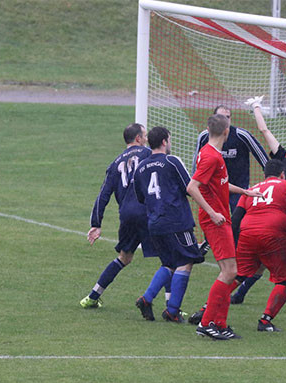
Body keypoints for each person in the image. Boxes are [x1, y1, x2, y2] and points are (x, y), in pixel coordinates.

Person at [230, 95, 286, 305]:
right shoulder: (285, 156)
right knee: (262, 262)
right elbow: (265, 131)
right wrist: (257, 107)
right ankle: (241, 295)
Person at [186, 114, 262, 340]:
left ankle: (219, 323)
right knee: (229, 271)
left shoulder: (210, 154)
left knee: (230, 271)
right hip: (215, 220)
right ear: (227, 132)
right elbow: (192, 187)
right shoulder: (211, 157)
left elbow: (219, 183)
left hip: (220, 217)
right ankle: (207, 323)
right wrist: (212, 212)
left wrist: (245, 192)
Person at [80, 123, 159, 309]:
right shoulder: (149, 155)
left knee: (125, 257)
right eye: (145, 136)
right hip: (147, 212)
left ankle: (93, 296)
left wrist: (96, 223)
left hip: (127, 215)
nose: (147, 139)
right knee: (169, 259)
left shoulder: (115, 163)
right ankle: (172, 307)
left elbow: (103, 195)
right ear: (139, 139)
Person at [133, 127, 204, 323]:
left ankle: (147, 299)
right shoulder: (172, 161)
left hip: (155, 223)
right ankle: (172, 311)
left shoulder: (140, 167)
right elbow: (189, 187)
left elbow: (140, 197)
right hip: (177, 221)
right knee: (186, 262)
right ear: (164, 142)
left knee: (169, 264)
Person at [192, 105, 269, 254]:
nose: (225, 120)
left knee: (239, 221)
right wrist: (197, 184)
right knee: (213, 218)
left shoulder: (241, 135)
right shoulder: (205, 141)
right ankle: (211, 243)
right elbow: (196, 164)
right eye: (221, 117)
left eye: (228, 117)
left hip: (237, 186)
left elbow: (261, 155)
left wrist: (271, 176)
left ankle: (240, 249)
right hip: (214, 188)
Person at [231, 159, 286, 332]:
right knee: (284, 279)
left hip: (247, 233)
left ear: (265, 175)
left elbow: (236, 218)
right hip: (273, 232)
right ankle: (266, 320)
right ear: (282, 174)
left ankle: (207, 309)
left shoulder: (252, 189)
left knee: (237, 275)